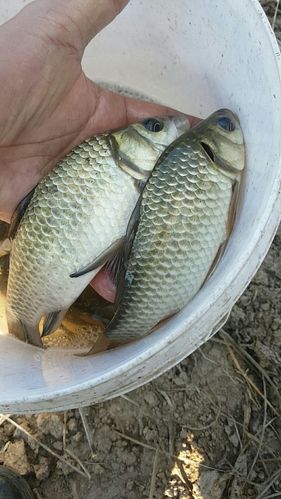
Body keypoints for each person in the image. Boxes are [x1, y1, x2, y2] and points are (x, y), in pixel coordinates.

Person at [0, 2, 195, 495]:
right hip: (38, 271)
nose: (166, 126)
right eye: (154, 128)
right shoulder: (101, 157)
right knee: (40, 318)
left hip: (46, 256)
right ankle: (28, 326)